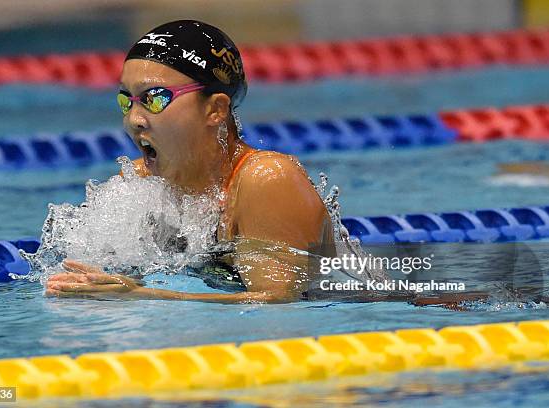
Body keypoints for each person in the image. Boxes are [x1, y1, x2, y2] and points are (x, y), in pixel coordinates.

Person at [46, 20, 336, 303]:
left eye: (154, 98)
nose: (133, 120)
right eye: (127, 100)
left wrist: (144, 295)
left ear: (215, 109)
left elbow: (280, 307)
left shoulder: (265, 181)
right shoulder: (140, 183)